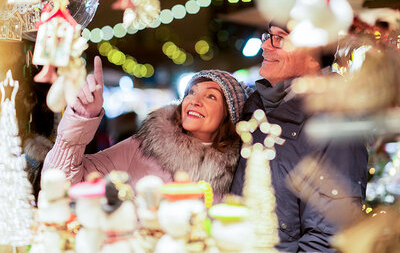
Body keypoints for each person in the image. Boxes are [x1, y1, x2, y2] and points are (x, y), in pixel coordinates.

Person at [231, 22, 368, 252]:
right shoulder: (255, 107)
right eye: (268, 35)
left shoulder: (335, 119)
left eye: (280, 38)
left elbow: (329, 236)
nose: (265, 45)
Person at [43, 56, 252, 201]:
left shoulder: (238, 171)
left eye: (211, 96)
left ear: (229, 115)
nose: (194, 100)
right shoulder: (144, 147)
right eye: (192, 92)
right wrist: (81, 119)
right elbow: (61, 183)